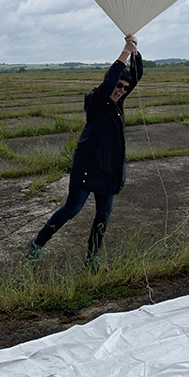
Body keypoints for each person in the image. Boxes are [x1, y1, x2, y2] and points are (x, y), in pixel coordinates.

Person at [27, 34, 143, 267]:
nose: (121, 90)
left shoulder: (117, 104)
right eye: (119, 85)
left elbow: (136, 76)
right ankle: (37, 243)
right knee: (72, 209)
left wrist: (136, 53)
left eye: (125, 88)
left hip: (108, 169)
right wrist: (124, 52)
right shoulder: (96, 100)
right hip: (88, 167)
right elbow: (110, 82)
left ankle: (91, 257)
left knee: (103, 215)